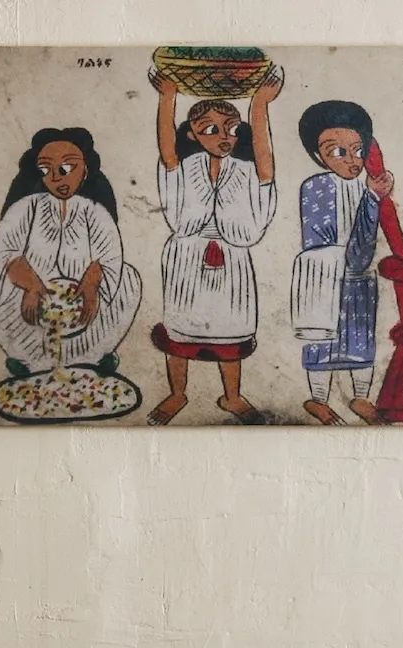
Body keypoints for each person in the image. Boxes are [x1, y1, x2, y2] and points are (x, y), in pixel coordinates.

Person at [146, 65, 283, 425]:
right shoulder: (185, 165)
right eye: (210, 130)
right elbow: (167, 153)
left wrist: (259, 105)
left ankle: (232, 397)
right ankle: (177, 394)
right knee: (179, 330)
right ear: (193, 134)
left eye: (231, 129)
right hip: (188, 257)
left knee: (229, 329)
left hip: (232, 258)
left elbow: (265, 166)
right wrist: (167, 98)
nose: (223, 136)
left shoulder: (244, 169)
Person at [0, 127, 142, 379]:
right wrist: (31, 286)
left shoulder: (94, 210)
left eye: (66, 169)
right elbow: (7, 250)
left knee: (129, 278)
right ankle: (26, 360)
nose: (56, 177)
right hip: (32, 292)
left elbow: (108, 255)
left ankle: (94, 357)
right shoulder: (25, 207)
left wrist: (91, 286)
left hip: (83, 293)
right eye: (45, 170)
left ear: (85, 169)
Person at [290, 99, 394, 425]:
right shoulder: (315, 188)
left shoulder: (367, 187)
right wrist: (372, 200)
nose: (352, 160)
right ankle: (318, 399)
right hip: (325, 276)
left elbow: (365, 249)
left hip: (359, 278)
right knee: (323, 339)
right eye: (338, 152)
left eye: (358, 150)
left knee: (360, 337)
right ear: (318, 155)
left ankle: (361, 396)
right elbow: (342, 246)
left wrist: (373, 198)